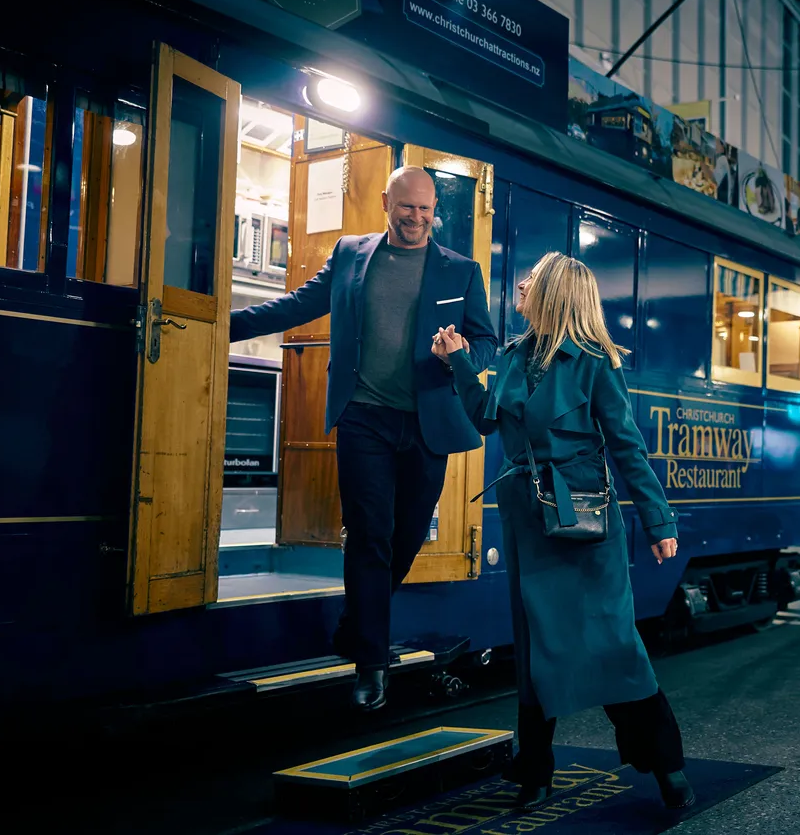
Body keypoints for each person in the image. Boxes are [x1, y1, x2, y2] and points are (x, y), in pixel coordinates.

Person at [431, 252, 694, 811]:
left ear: (555, 292)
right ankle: (535, 771)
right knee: (535, 651)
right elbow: (484, 418)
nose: (521, 284)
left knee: (613, 647)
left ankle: (666, 765)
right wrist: (458, 362)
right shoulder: (512, 354)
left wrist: (659, 520)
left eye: (533, 278)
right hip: (529, 522)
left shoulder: (596, 362)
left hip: (586, 526)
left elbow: (627, 446)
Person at [229, 166, 497, 711]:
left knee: (406, 537)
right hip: (363, 417)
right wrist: (225, 324)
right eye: (407, 207)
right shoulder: (351, 253)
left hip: (426, 424)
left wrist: (461, 354)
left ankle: (357, 624)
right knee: (370, 535)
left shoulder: (461, 270)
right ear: (385, 202)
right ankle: (372, 664)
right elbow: (298, 304)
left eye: (425, 209)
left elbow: (487, 342)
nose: (416, 218)